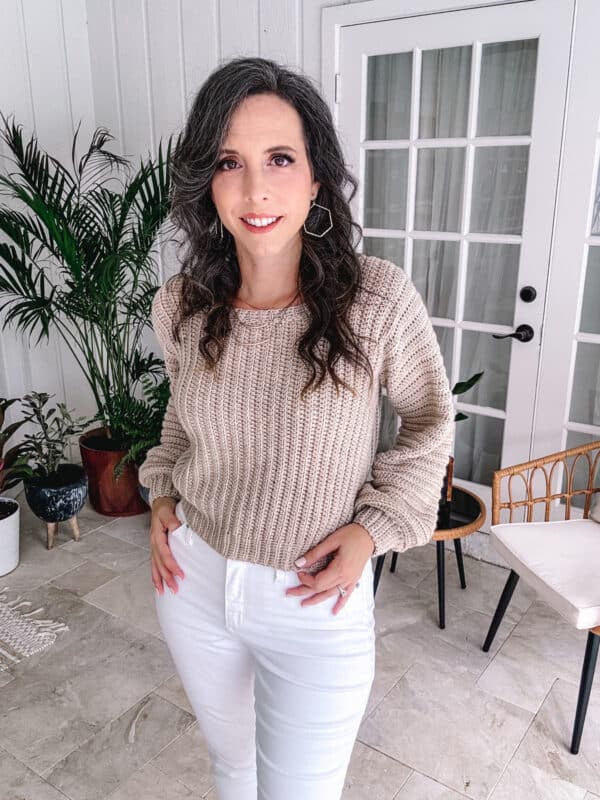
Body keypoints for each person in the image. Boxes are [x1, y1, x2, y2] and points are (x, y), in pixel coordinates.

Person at [138, 56, 455, 800]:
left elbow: (431, 417)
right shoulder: (179, 305)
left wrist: (376, 528)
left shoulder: (374, 299)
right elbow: (182, 416)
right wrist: (159, 493)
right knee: (231, 771)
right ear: (205, 182)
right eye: (229, 162)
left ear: (316, 178)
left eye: (281, 158)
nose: (256, 189)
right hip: (192, 580)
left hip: (316, 600)